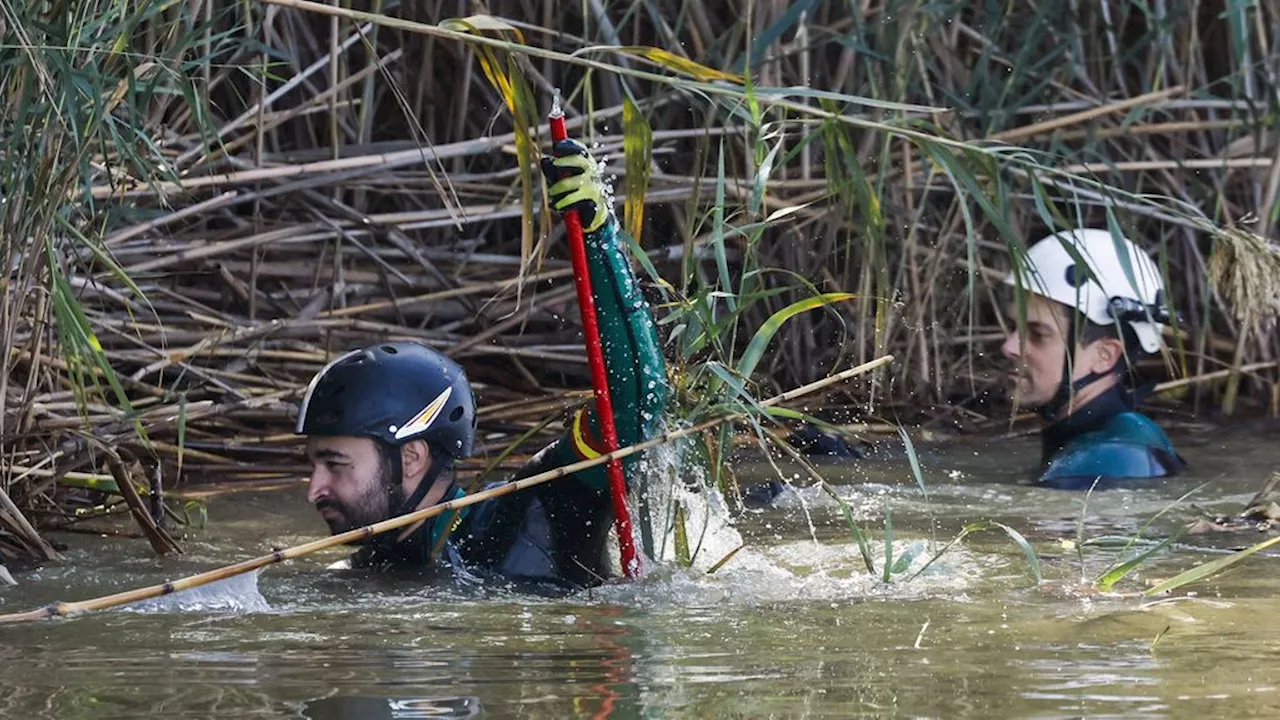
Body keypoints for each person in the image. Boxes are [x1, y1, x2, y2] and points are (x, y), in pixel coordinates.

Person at [294, 138, 669, 593]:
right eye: (315, 465)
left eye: (335, 464)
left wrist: (598, 237)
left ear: (411, 457)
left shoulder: (540, 504)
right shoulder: (361, 573)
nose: (314, 489)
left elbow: (634, 402)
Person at [999, 228, 1188, 490]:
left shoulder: (1108, 456)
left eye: (1038, 334)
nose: (1009, 346)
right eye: (1013, 327)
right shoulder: (1112, 443)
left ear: (1104, 356)